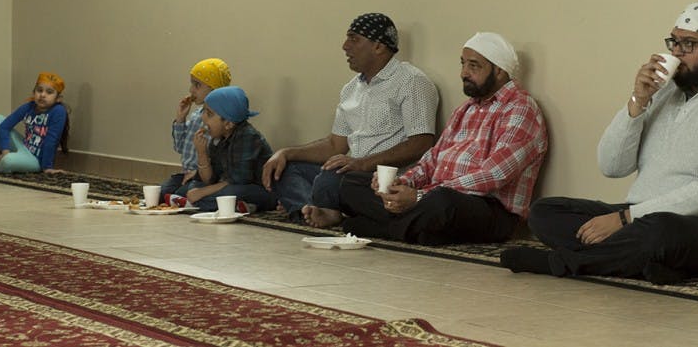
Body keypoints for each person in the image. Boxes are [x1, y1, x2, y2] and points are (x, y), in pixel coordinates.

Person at [502, 1, 698, 285]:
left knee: (661, 232)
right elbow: (611, 165)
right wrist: (638, 101)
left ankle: (564, 263)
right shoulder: (664, 93)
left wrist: (625, 219)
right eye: (673, 42)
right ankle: (652, 264)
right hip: (642, 217)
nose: (676, 52)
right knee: (545, 212)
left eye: (688, 44)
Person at [338, 32, 548, 244]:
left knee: (442, 203)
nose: (464, 73)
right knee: (352, 184)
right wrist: (403, 182)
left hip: (488, 209)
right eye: (463, 64)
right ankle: (410, 229)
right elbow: (432, 160)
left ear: (500, 71)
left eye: (474, 66)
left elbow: (493, 175)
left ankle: (377, 227)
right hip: (433, 198)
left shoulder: (521, 109)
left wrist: (419, 196)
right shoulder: (465, 109)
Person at [262, 13, 439, 226]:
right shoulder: (351, 89)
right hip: (350, 170)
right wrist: (285, 153)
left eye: (354, 39)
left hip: (381, 178)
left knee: (332, 179)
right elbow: (334, 145)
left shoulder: (412, 81)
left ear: (378, 46)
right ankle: (313, 209)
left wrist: (362, 164)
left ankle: (321, 208)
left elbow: (421, 144)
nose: (345, 46)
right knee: (283, 170)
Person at [182, 86, 275, 213]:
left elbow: (238, 181)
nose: (203, 118)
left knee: (225, 193)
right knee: (186, 189)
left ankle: (199, 203)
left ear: (228, 123)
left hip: (257, 189)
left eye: (209, 114)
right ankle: (240, 206)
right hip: (227, 185)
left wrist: (202, 192)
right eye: (203, 111)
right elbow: (209, 180)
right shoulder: (218, 137)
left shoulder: (247, 136)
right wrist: (201, 153)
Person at [159, 58, 232, 201]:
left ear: (214, 90)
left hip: (204, 175)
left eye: (197, 85)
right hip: (186, 173)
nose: (191, 90)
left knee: (181, 194)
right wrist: (180, 118)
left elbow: (218, 158)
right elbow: (180, 147)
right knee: (161, 194)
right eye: (191, 84)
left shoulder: (219, 120)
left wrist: (198, 172)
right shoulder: (196, 114)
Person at [0, 72, 70, 174]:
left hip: (36, 160)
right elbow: (4, 127)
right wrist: (5, 150)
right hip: (25, 147)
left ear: (58, 98)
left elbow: (51, 141)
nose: (42, 95)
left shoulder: (58, 111)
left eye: (49, 92)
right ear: (33, 92)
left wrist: (47, 167)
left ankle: (1, 164)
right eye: (39, 90)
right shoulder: (29, 106)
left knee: (8, 160)